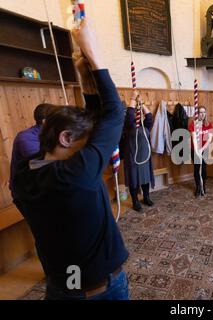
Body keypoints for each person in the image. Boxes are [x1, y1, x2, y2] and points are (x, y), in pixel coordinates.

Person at [12, 20, 129, 300]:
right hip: (99, 292)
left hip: (62, 288)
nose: (92, 146)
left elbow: (95, 123)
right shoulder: (74, 176)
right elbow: (114, 114)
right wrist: (95, 54)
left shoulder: (24, 174)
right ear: (65, 138)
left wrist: (87, 83)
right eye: (86, 141)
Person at [9, 103, 56, 198]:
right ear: (45, 121)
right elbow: (38, 163)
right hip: (24, 192)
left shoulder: (51, 134)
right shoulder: (25, 138)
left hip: (40, 184)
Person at [122, 90, 155, 212]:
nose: (138, 114)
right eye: (137, 112)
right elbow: (130, 115)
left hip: (144, 156)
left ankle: (146, 197)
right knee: (133, 180)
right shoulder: (128, 126)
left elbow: (149, 116)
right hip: (132, 157)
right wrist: (132, 98)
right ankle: (135, 201)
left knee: (145, 178)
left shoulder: (145, 125)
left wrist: (141, 103)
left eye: (139, 113)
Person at [188, 106, 213, 197]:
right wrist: (196, 150)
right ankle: (198, 186)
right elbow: (194, 138)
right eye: (200, 112)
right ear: (197, 114)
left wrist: (201, 150)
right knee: (197, 168)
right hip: (194, 149)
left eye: (204, 112)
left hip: (204, 150)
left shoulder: (208, 125)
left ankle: (203, 185)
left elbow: (209, 140)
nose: (202, 114)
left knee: (204, 168)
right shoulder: (193, 124)